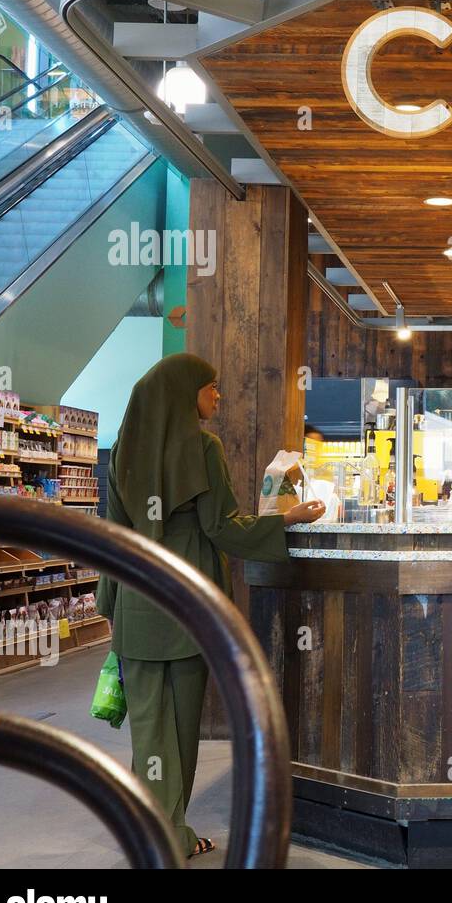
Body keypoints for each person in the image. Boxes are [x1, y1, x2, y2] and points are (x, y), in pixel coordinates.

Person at [96, 354, 325, 860]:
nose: (218, 396)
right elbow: (222, 527)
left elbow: (112, 537)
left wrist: (110, 608)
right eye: (211, 387)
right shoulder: (203, 447)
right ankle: (170, 835)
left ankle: (151, 831)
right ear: (185, 393)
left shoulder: (122, 452)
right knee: (180, 732)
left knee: (148, 735)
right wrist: (287, 519)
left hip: (138, 602)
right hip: (187, 604)